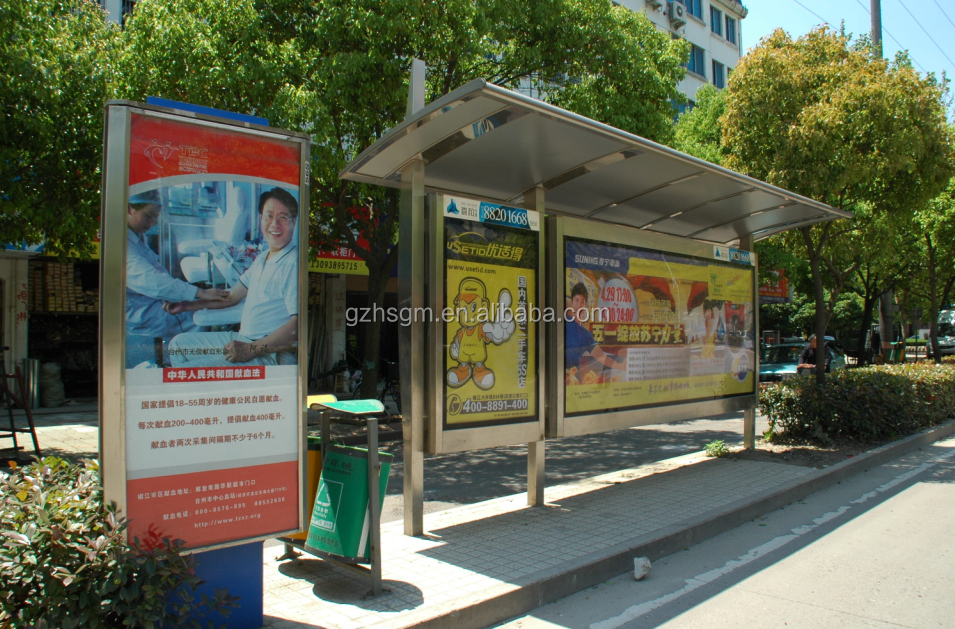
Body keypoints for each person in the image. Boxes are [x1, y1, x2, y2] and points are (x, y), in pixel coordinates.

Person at [166, 187, 299, 366]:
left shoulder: (293, 262)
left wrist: (249, 350)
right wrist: (186, 305)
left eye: (283, 217)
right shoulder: (263, 257)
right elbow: (231, 297)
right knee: (177, 346)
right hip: (244, 339)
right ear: (261, 219)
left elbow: (296, 327)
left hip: (269, 354)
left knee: (188, 374)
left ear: (294, 222)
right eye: (269, 216)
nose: (275, 223)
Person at [126, 189, 228, 339]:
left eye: (155, 218)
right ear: (130, 208)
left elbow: (157, 270)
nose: (152, 223)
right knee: (194, 318)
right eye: (148, 216)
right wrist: (201, 293)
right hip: (143, 310)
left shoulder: (136, 236)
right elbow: (152, 281)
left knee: (195, 307)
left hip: (154, 299)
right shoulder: (123, 246)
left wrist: (190, 295)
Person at [565, 282, 625, 376]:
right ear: (571, 302)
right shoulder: (563, 322)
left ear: (585, 305)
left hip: (572, 380)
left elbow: (602, 357)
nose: (579, 305)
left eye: (582, 301)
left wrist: (620, 366)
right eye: (576, 300)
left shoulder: (586, 335)